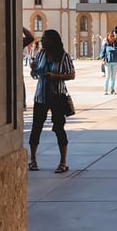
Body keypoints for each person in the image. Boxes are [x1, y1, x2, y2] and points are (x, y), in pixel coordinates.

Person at [28, 29, 75, 173]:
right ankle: (33, 161)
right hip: (41, 96)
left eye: (45, 38)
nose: (42, 40)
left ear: (53, 41)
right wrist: (33, 69)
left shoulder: (63, 57)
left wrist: (55, 76)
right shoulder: (41, 54)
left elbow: (71, 75)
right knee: (36, 128)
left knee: (59, 128)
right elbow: (35, 74)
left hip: (57, 96)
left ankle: (63, 162)